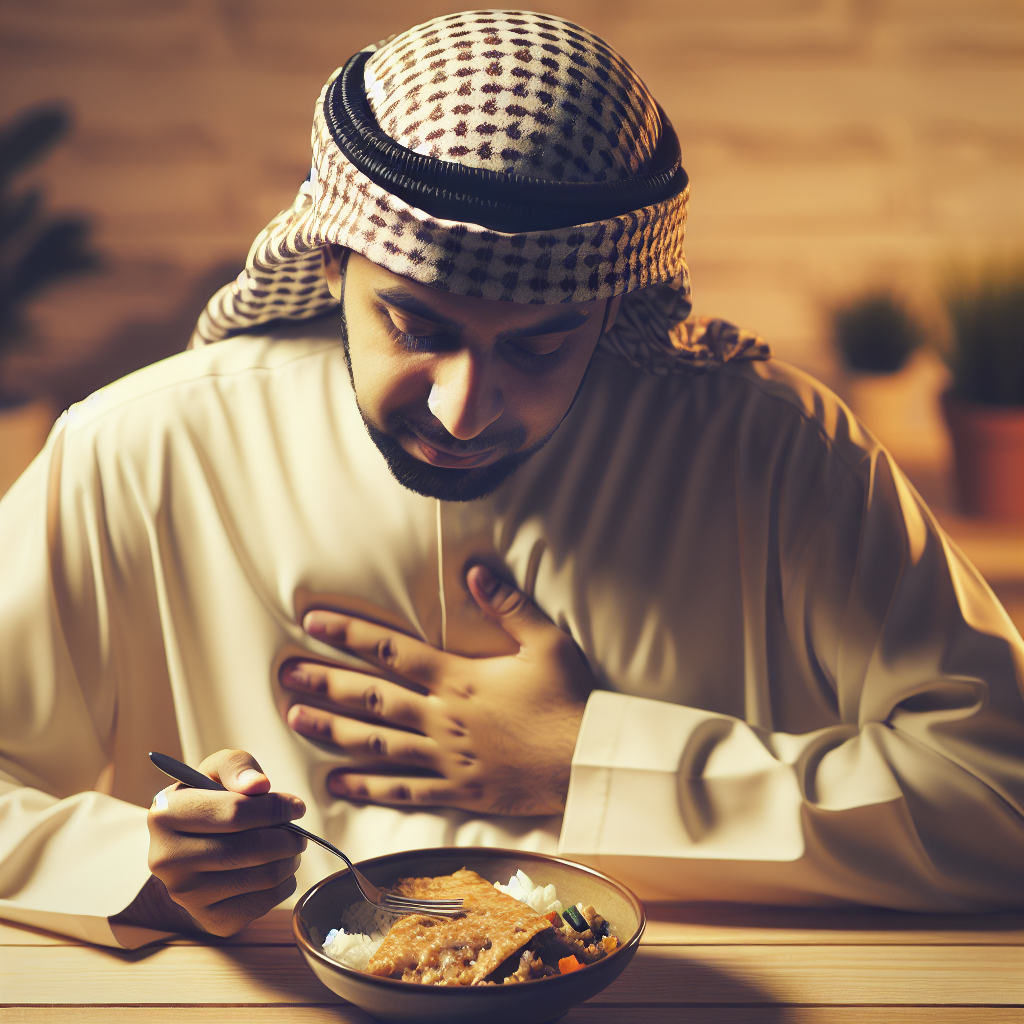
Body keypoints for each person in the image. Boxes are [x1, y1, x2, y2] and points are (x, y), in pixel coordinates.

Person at [1, 10, 1022, 949]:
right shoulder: (136, 447)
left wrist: (596, 760)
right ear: (328, 266)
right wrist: (148, 864)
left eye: (539, 343)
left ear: (613, 300)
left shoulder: (778, 452)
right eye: (417, 326)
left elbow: (1001, 796)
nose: (464, 409)